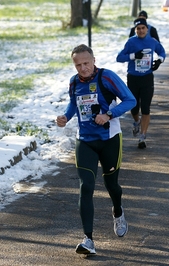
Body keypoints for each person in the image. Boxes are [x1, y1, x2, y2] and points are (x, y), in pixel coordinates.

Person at [56, 44, 136, 255]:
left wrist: (109, 115)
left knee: (112, 186)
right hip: (85, 141)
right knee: (86, 186)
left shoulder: (106, 77)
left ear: (93, 60)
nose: (83, 68)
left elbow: (130, 100)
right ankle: (88, 239)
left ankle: (118, 211)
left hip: (109, 138)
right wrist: (66, 116)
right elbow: (73, 103)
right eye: (78, 65)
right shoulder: (74, 82)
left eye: (86, 63)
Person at [116, 18, 166, 149]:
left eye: (143, 28)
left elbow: (162, 52)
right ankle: (136, 121)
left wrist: (159, 61)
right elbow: (119, 57)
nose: (141, 30)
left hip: (147, 78)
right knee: (134, 106)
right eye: (138, 29)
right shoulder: (131, 42)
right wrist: (133, 56)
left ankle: (142, 136)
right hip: (133, 78)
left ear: (147, 29)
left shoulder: (152, 41)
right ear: (135, 30)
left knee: (145, 107)